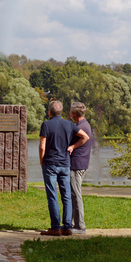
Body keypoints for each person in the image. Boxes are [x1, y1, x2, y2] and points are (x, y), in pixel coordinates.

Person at [39, 100, 90, 236]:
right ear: (61, 112)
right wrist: (73, 147)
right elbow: (85, 137)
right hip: (65, 165)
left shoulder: (46, 124)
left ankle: (55, 227)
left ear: (50, 112)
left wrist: (42, 161)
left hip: (50, 164)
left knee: (52, 196)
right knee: (66, 196)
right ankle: (67, 227)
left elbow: (42, 146)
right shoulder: (69, 124)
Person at [69, 102, 93, 234]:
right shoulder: (83, 124)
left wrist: (72, 147)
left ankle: (80, 226)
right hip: (81, 164)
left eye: (70, 112)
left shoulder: (82, 127)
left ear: (74, 114)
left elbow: (85, 138)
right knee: (73, 194)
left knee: (75, 194)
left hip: (77, 165)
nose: (69, 114)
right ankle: (73, 224)